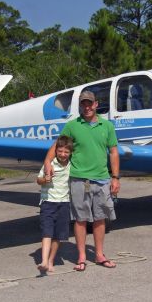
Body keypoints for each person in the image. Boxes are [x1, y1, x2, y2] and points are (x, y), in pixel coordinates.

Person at [44, 90, 120, 272]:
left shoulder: (107, 126)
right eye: (83, 104)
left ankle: (100, 254)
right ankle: (82, 256)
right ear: (80, 106)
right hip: (79, 179)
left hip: (102, 179)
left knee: (100, 218)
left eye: (89, 103)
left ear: (96, 104)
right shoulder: (72, 126)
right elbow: (57, 146)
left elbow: (114, 152)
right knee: (80, 219)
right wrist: (47, 162)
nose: (86, 107)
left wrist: (115, 177)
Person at [36, 135, 73, 274]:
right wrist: (45, 180)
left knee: (58, 235)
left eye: (66, 152)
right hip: (48, 202)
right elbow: (38, 180)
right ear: (55, 151)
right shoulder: (49, 164)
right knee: (47, 232)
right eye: (60, 151)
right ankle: (44, 261)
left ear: (70, 153)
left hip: (64, 203)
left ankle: (51, 260)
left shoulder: (71, 165)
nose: (63, 154)